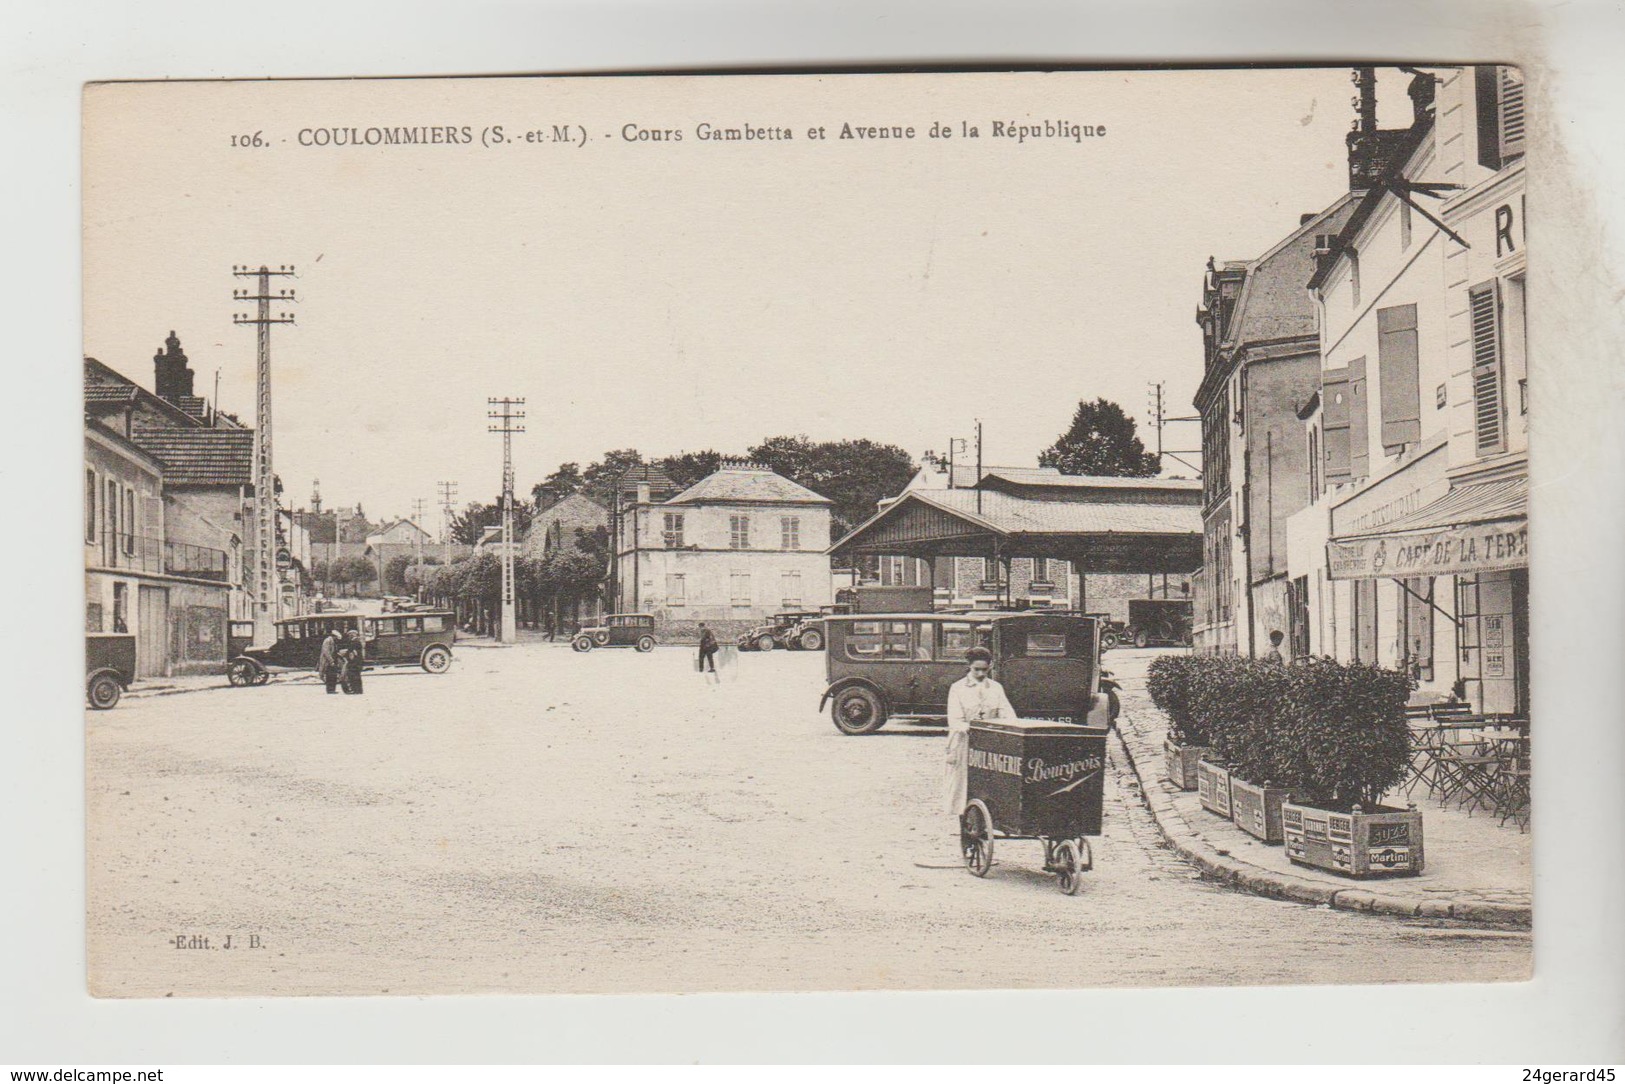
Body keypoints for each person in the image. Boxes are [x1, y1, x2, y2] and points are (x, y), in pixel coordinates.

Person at [917, 646, 1017, 869]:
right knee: (964, 790)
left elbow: (1007, 713)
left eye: (984, 670)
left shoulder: (996, 688)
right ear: (968, 667)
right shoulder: (958, 689)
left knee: (991, 787)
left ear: (990, 667)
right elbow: (955, 720)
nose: (981, 674)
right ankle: (968, 838)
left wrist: (1004, 727)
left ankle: (987, 827)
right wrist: (972, 729)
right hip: (964, 744)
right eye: (976, 670)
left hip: (991, 745)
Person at [338, 628, 365, 695]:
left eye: (350, 634)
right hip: (356, 661)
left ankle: (356, 690)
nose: (349, 636)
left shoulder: (355, 641)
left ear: (353, 634)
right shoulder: (356, 641)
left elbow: (351, 651)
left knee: (354, 676)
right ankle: (357, 690)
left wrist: (344, 653)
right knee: (355, 675)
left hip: (354, 662)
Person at [317, 628, 342, 694]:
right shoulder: (327, 641)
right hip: (328, 662)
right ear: (334, 636)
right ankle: (330, 690)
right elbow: (326, 652)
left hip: (333, 661)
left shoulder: (332, 641)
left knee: (333, 676)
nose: (336, 639)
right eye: (336, 638)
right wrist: (331, 661)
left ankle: (332, 689)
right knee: (330, 676)